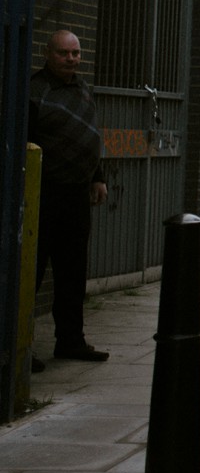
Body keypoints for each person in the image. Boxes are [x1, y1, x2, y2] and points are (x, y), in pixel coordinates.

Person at [27, 30, 110, 365]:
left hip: (77, 193)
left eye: (76, 53)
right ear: (48, 53)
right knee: (30, 272)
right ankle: (19, 346)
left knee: (73, 272)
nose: (72, 59)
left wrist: (98, 177)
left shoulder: (82, 89)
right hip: (43, 193)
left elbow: (89, 134)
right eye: (64, 54)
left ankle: (71, 340)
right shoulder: (35, 91)